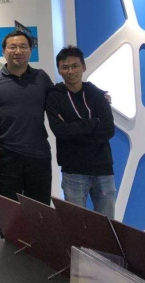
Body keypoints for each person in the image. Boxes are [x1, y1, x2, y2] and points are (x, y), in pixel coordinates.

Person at [46, 45, 116, 218]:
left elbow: (108, 130)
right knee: (75, 223)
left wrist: (74, 130)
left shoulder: (98, 94)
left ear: (83, 67)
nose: (70, 71)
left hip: (103, 168)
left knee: (107, 222)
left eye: (75, 66)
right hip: (73, 170)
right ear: (59, 70)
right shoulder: (54, 97)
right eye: (65, 67)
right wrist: (93, 123)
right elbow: (60, 131)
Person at [0, 30, 54, 205]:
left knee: (40, 211)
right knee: (9, 211)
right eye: (13, 47)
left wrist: (98, 97)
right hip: (6, 157)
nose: (18, 51)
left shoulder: (42, 77)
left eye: (23, 47)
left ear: (31, 50)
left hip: (39, 155)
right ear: (4, 51)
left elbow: (62, 102)